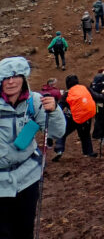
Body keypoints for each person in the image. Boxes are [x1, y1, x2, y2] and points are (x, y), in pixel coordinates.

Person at [0, 56, 65, 237]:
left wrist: (54, 111)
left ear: (24, 78)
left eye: (16, 76)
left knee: (24, 230)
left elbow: (56, 132)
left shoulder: (35, 101)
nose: (11, 81)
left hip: (27, 179)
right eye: (6, 77)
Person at [58, 75, 97, 158]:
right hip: (86, 116)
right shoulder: (84, 88)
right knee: (85, 134)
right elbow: (96, 96)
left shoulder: (67, 93)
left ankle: (59, 149)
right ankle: (88, 152)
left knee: (63, 132)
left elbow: (60, 106)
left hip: (72, 117)